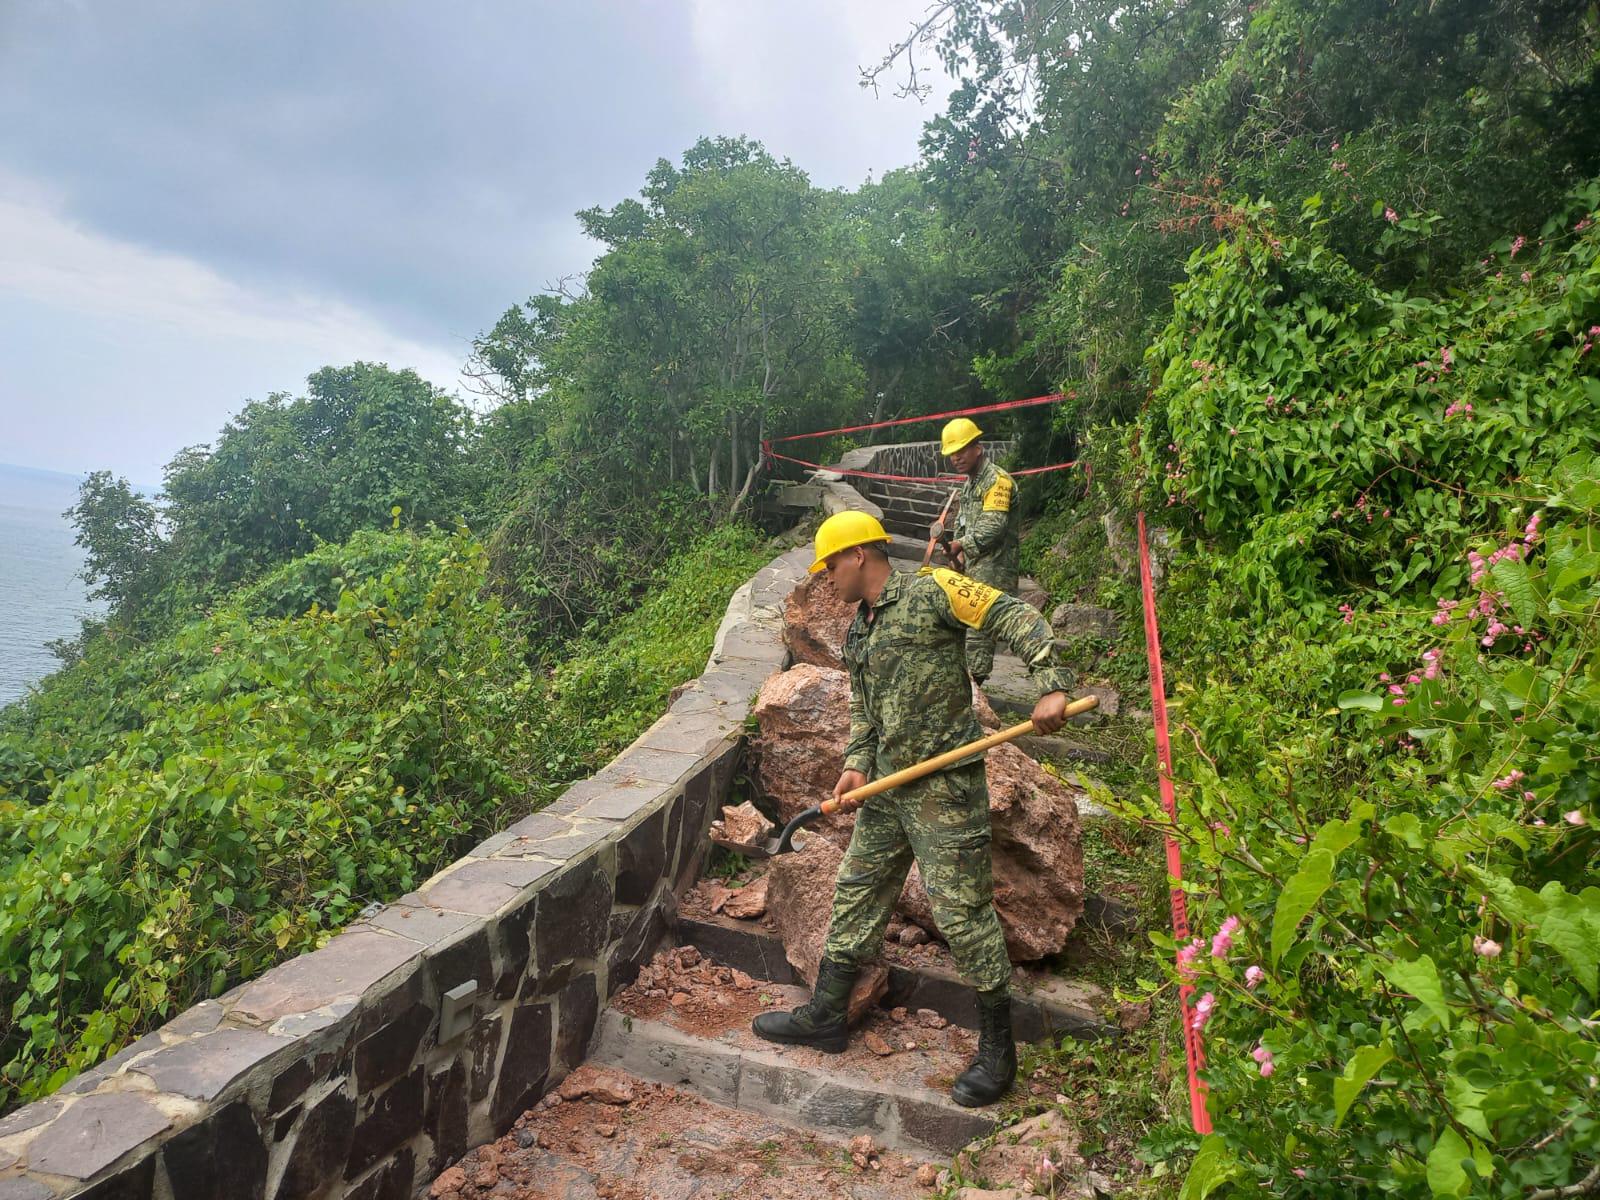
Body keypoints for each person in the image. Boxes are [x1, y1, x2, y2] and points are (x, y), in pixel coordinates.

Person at [752, 510, 1076, 1107]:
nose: (825, 580)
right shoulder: (859, 629)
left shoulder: (934, 591)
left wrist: (1050, 683)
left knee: (964, 914)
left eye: (829, 567)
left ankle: (999, 1049)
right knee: (856, 889)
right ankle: (826, 1014)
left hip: (945, 789)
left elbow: (1012, 613)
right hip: (888, 788)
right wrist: (856, 759)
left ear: (857, 556)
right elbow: (864, 708)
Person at [940, 417, 1020, 687]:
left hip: (995, 571)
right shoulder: (970, 484)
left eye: (961, 450)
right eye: (952, 454)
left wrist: (961, 545)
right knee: (965, 629)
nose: (956, 458)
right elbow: (965, 524)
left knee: (979, 634)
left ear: (978, 448)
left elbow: (993, 527)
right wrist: (959, 556)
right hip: (974, 570)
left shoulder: (998, 481)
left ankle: (975, 694)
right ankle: (968, 692)